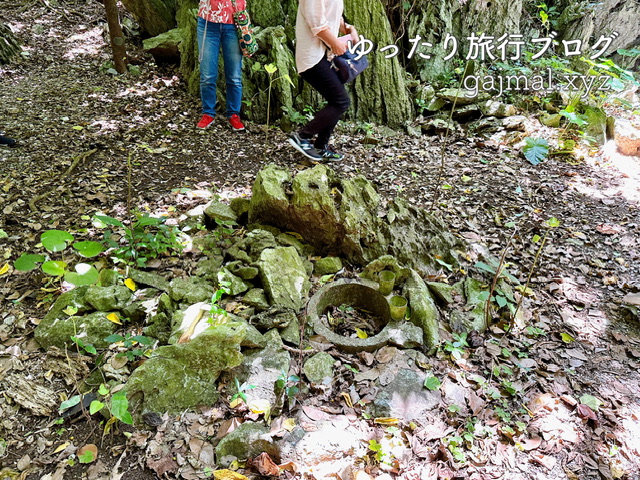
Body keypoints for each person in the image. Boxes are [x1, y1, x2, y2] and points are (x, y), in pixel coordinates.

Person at [288, 0, 359, 161]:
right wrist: (336, 44)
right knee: (340, 101)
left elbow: (332, 16)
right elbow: (317, 24)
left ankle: (321, 146)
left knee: (337, 100)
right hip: (312, 58)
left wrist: (347, 28)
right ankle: (302, 137)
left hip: (324, 56)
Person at [196, 0, 246, 131]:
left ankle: (234, 114)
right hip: (207, 22)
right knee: (207, 75)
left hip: (234, 22)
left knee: (234, 76)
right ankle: (208, 113)